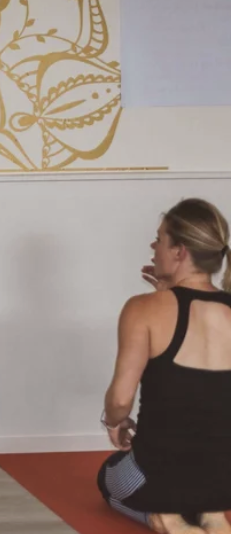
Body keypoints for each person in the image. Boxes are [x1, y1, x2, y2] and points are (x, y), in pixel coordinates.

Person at [98, 198, 230, 534]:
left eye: (159, 239)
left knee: (109, 476)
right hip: (225, 481)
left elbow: (119, 400)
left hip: (158, 481)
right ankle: (213, 514)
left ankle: (164, 519)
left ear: (179, 251)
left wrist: (114, 422)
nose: (153, 246)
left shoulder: (142, 308)